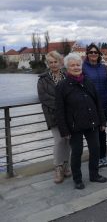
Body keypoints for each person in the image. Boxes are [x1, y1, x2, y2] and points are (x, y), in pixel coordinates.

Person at [56, 53, 107, 190]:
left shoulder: (88, 81)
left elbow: (97, 103)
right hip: (74, 126)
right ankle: (77, 179)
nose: (76, 67)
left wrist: (102, 122)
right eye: (72, 65)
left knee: (95, 149)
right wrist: (64, 130)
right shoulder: (62, 86)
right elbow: (59, 110)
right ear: (67, 68)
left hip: (92, 123)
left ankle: (94, 174)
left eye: (78, 64)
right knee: (77, 153)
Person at [37, 51, 71, 184]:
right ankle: (58, 167)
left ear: (60, 62)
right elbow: (44, 97)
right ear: (48, 64)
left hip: (69, 114)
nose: (53, 64)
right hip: (53, 115)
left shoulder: (67, 76)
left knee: (68, 140)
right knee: (59, 140)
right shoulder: (43, 79)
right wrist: (61, 106)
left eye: (55, 61)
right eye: (50, 62)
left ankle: (66, 165)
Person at [82, 44, 107, 168]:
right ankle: (95, 158)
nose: (93, 54)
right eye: (91, 52)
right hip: (91, 107)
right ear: (87, 54)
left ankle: (103, 157)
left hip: (104, 105)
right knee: (93, 133)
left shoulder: (103, 68)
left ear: (99, 54)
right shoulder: (83, 68)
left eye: (96, 52)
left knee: (102, 131)